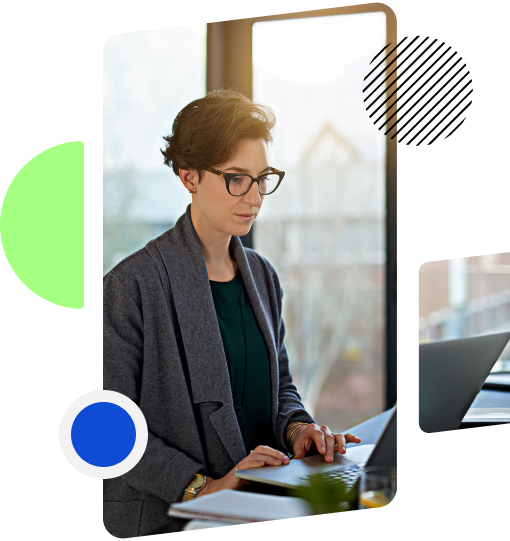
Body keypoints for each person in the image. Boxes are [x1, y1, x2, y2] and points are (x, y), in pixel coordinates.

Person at [103, 86, 360, 538]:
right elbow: (106, 431)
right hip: (168, 520)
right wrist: (200, 487)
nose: (255, 196)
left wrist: (299, 429)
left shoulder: (262, 276)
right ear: (189, 177)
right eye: (236, 178)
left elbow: (280, 387)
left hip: (257, 506)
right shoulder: (132, 285)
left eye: (263, 178)